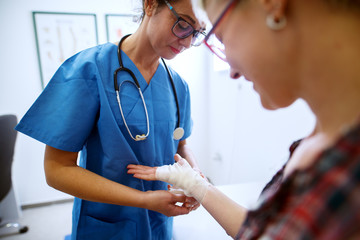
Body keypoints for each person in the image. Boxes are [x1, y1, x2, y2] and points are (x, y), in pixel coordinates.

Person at [127, 0, 360, 239]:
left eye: (222, 37)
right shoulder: (315, 146)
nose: (232, 71)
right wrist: (196, 185)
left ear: (272, 4)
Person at [15, 0, 207, 239]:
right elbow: (57, 169)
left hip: (159, 221)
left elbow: (181, 145)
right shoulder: (90, 69)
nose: (188, 42)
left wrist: (195, 177)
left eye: (197, 33)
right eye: (183, 25)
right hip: (107, 224)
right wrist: (143, 200)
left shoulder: (177, 85)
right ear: (150, 5)